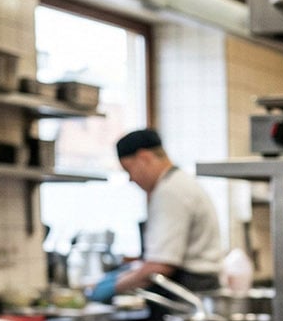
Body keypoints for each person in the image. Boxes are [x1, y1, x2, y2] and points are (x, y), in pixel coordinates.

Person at [89, 129, 224, 301]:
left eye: (129, 170)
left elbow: (160, 266)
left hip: (187, 292)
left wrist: (113, 287)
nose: (131, 179)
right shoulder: (179, 182)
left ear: (144, 158)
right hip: (198, 288)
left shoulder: (170, 191)